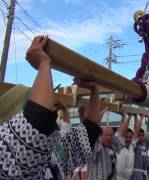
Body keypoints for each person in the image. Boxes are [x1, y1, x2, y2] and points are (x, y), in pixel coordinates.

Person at [0, 36, 103, 179]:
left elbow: (89, 133)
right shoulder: (5, 156)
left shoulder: (53, 156)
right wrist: (44, 62)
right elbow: (39, 119)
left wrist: (94, 90)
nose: (53, 110)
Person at [88, 112, 127, 180]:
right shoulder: (96, 146)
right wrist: (102, 112)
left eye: (111, 135)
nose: (109, 137)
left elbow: (120, 130)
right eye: (106, 135)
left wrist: (123, 116)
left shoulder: (113, 144)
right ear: (100, 136)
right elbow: (94, 127)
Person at [130, 114, 149, 180]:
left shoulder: (145, 142)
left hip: (144, 172)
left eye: (142, 135)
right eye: (139, 135)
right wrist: (139, 117)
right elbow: (136, 128)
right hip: (136, 172)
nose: (141, 137)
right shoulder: (135, 143)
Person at [117, 114, 135, 180]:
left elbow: (136, 130)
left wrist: (136, 116)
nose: (128, 139)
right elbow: (123, 131)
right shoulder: (119, 145)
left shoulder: (131, 147)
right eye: (126, 137)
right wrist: (128, 117)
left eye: (130, 137)